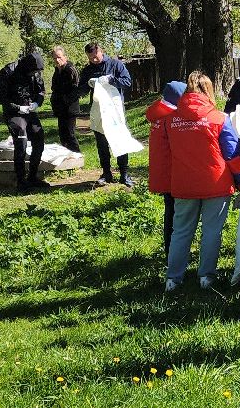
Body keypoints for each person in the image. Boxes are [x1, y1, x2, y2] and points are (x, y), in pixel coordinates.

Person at [164, 72, 240, 291]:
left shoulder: (170, 120)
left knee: (180, 231)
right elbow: (232, 154)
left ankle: (173, 279)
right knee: (211, 232)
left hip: (183, 184)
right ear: (208, 91)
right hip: (216, 183)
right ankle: (206, 277)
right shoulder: (219, 118)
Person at [80, 42, 136, 186]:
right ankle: (106, 173)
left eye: (96, 56)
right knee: (102, 143)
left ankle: (124, 174)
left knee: (120, 140)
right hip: (98, 110)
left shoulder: (116, 65)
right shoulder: (88, 70)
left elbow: (127, 82)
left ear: (101, 51)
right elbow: (81, 89)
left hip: (115, 110)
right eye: (90, 58)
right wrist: (88, 84)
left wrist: (111, 80)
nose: (94, 60)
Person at [0, 49, 49, 191]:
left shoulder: (36, 73)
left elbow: (41, 90)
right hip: (14, 112)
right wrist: (17, 107)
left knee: (39, 138)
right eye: (33, 71)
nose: (35, 73)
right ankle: (20, 180)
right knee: (21, 140)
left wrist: (37, 103)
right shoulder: (9, 71)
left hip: (30, 110)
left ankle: (32, 176)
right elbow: (1, 95)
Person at [145, 81, 184, 255]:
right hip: (173, 174)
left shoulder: (158, 115)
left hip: (163, 174)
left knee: (170, 211)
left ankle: (170, 249)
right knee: (176, 215)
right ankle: (172, 251)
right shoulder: (171, 119)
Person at [49, 47, 84, 154]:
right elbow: (54, 88)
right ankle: (67, 156)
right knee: (63, 135)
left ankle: (77, 155)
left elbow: (76, 88)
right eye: (55, 58)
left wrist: (66, 100)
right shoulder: (57, 71)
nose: (57, 60)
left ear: (65, 57)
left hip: (70, 108)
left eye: (59, 57)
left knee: (70, 134)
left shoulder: (70, 70)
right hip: (60, 108)